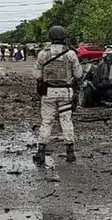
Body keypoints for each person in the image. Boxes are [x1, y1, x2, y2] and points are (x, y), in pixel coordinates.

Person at [34, 26, 82, 165]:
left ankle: (41, 152)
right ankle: (70, 152)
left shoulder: (43, 54)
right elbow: (78, 74)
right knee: (66, 120)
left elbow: (37, 75)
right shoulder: (70, 54)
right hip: (65, 92)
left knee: (47, 121)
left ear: (50, 37)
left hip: (48, 92)